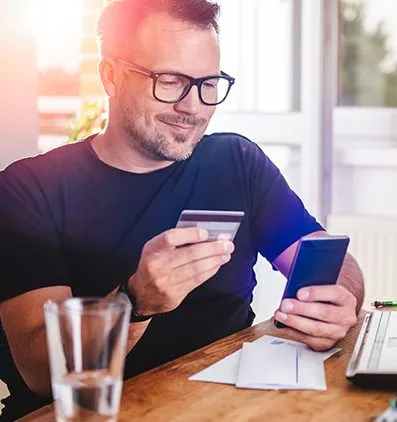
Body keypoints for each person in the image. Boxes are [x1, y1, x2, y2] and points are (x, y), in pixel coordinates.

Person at [0, 0, 365, 419]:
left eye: (208, 83)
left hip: (225, 406)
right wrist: (135, 301)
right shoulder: (27, 189)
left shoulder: (237, 162)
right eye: (171, 80)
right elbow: (39, 370)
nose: (193, 106)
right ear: (111, 76)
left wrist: (339, 299)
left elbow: (325, 257)